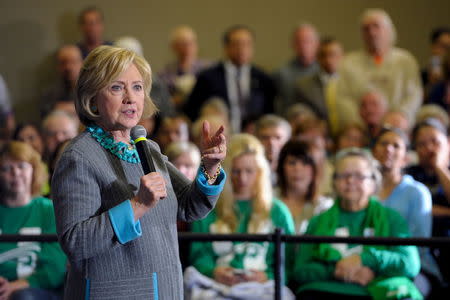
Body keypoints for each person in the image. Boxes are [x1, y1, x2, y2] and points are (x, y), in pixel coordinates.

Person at [51, 45, 227, 299]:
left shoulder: (147, 148)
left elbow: (190, 207)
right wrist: (138, 205)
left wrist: (210, 167)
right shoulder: (79, 157)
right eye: (116, 87)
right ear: (92, 99)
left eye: (137, 87)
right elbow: (76, 242)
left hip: (165, 289)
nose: (130, 97)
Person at [293, 148, 421, 299]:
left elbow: (410, 265)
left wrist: (365, 260)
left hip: (377, 287)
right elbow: (300, 270)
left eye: (359, 176)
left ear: (373, 182)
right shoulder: (318, 221)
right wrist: (336, 271)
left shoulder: (392, 219)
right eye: (343, 175)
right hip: (327, 289)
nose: (350, 181)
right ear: (334, 182)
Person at [185, 133, 295, 300]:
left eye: (249, 171)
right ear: (227, 171)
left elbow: (287, 262)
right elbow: (199, 254)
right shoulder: (208, 207)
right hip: (217, 285)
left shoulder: (278, 211)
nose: (242, 179)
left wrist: (267, 276)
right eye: (236, 171)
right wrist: (214, 271)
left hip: (263, 287)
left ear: (260, 172)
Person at [372, 126, 444, 298]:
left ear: (405, 157)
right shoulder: (365, 191)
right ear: (374, 152)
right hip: (371, 263)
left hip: (415, 267)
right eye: (383, 143)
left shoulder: (417, 192)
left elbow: (419, 241)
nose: (388, 148)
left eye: (396, 145)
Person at [0, 141, 66, 300]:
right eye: (6, 168)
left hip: (35, 290)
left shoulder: (49, 210)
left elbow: (55, 270)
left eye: (22, 166)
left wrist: (13, 287)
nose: (15, 173)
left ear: (34, 170)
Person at [336, 9, 422, 127]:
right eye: (366, 29)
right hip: (360, 127)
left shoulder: (406, 61)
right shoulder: (348, 63)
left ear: (389, 30)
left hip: (398, 124)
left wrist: (402, 114)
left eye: (376, 26)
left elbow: (414, 95)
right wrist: (358, 122)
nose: (372, 32)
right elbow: (343, 98)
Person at [185, 25, 275, 133]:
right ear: (226, 47)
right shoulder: (207, 78)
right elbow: (192, 112)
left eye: (247, 44)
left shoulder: (263, 79)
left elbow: (270, 113)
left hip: (254, 138)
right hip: (219, 136)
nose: (242, 49)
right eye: (237, 44)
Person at [405, 118, 450, 283]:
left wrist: (440, 167)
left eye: (435, 142)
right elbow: (408, 209)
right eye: (422, 144)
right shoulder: (409, 175)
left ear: (448, 143)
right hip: (419, 247)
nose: (429, 148)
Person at [276, 140, 333, 234]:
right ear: (281, 167)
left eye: (305, 163)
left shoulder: (324, 207)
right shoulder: (268, 201)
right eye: (292, 163)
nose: (297, 169)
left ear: (316, 169)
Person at [294, 37, 343, 130]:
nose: (328, 59)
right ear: (317, 58)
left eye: (333, 54)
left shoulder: (350, 84)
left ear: (342, 56)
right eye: (323, 55)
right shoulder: (304, 86)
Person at [158, 25, 211, 109]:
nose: (187, 47)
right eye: (182, 44)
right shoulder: (165, 73)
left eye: (190, 43)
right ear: (173, 47)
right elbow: (161, 100)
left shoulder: (209, 69)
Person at [274, 23, 320, 114]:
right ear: (293, 44)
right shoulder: (281, 74)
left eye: (308, 41)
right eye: (299, 41)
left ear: (317, 44)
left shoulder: (323, 72)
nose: (303, 46)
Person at [40, 45, 83, 117]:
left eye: (73, 62)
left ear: (82, 63)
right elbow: (46, 113)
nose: (68, 67)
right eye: (64, 62)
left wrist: (61, 107)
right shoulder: (49, 93)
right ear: (58, 66)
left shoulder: (91, 90)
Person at [255, 114, 291, 185]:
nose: (271, 143)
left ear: (288, 141)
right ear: (256, 139)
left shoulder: (294, 173)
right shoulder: (247, 172)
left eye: (278, 138)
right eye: (265, 137)